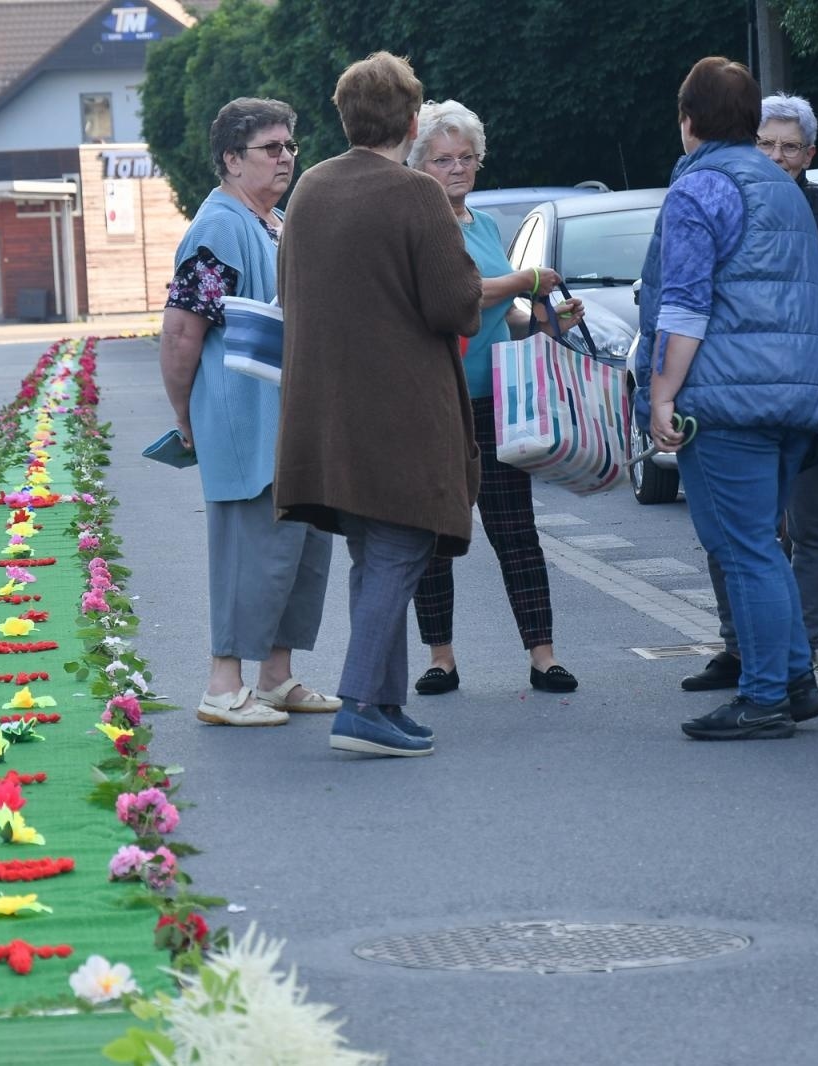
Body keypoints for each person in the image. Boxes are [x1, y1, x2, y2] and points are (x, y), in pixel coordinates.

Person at [275, 53, 484, 758]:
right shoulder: (415, 195)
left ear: (345, 116)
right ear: (414, 119)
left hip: (325, 408)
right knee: (400, 547)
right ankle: (361, 703)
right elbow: (455, 305)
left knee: (375, 552)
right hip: (399, 410)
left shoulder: (308, 189)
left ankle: (387, 704)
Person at [647, 56, 818, 741]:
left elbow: (686, 303)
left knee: (743, 548)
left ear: (688, 120)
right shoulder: (782, 186)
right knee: (761, 542)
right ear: (751, 122)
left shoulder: (699, 187)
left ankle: (763, 698)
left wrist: (662, 394)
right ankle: (795, 678)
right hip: (800, 395)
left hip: (730, 398)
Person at [159, 97, 339, 728]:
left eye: (290, 145)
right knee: (249, 552)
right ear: (232, 160)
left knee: (298, 550)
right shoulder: (219, 227)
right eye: (271, 147)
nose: (287, 156)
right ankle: (222, 685)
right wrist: (185, 413)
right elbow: (182, 332)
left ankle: (276, 679)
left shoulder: (276, 221)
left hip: (293, 422)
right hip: (245, 420)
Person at [404, 99, 586, 699]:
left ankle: (543, 656)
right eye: (442, 160)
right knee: (435, 536)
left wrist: (541, 317)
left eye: (466, 158)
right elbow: (461, 293)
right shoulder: (418, 224)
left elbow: (498, 313)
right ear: (419, 165)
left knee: (516, 531)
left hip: (493, 398)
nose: (457, 169)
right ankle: (441, 658)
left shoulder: (481, 225)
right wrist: (525, 282)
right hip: (435, 401)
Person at [681, 92, 818, 694]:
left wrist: (808, 340)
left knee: (806, 526)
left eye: (790, 147)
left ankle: (799, 654)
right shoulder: (725, 197)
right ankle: (740, 646)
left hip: (801, 386)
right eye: (767, 143)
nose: (778, 156)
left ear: (809, 155)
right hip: (740, 387)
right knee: (735, 534)